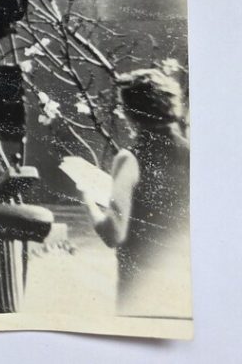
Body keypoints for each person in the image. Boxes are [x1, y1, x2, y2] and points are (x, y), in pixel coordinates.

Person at [79, 68, 190, 317]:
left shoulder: (130, 159)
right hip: (186, 282)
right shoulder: (195, 155)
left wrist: (88, 200)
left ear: (131, 113)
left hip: (141, 287)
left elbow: (113, 234)